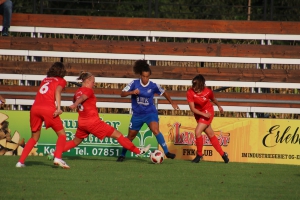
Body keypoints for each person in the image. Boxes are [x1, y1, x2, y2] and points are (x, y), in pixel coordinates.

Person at [48, 72, 151, 160]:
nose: (94, 83)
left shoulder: (77, 92)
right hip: (93, 122)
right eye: (93, 81)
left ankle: (55, 153)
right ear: (87, 81)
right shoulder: (88, 90)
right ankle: (138, 151)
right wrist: (76, 104)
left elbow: (77, 99)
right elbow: (82, 98)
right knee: (118, 135)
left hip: (82, 123)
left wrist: (76, 103)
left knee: (75, 142)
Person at [116, 60, 179, 162]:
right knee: (130, 136)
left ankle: (167, 152)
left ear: (149, 76)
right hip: (137, 115)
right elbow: (122, 93)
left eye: (147, 76)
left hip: (150, 113)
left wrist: (171, 102)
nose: (145, 79)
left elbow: (164, 92)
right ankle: (122, 154)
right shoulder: (134, 83)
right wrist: (132, 92)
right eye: (143, 76)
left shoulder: (153, 85)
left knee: (155, 130)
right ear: (140, 75)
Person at [16, 62, 70, 168]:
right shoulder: (61, 80)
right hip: (48, 109)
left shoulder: (45, 80)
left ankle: (20, 162)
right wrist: (59, 108)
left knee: (34, 137)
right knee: (62, 135)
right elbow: (57, 91)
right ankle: (58, 157)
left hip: (35, 108)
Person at [186, 74, 229, 163]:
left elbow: (213, 99)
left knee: (197, 131)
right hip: (199, 114)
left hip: (208, 113)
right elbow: (192, 109)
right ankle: (223, 154)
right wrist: (202, 114)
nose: (194, 88)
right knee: (210, 134)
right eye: (193, 85)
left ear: (201, 85)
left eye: (196, 86)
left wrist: (219, 106)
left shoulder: (208, 92)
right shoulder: (190, 92)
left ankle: (199, 155)